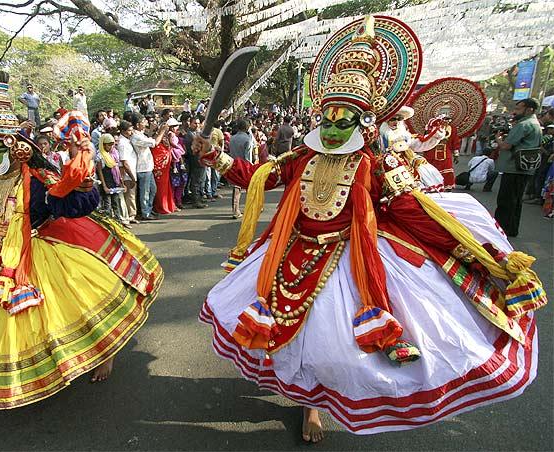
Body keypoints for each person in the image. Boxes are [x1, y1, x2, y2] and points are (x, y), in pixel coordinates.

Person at [193, 16, 546, 442]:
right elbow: (257, 177)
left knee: (334, 351)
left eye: (346, 117)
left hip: (351, 259)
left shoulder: (373, 165)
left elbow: (414, 212)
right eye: (328, 114)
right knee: (298, 344)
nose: (333, 124)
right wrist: (213, 154)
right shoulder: (303, 157)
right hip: (290, 254)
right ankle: (309, 403)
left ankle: (318, 406)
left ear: (365, 122)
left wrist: (483, 255)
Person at [0, 70, 163, 409]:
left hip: (34, 255)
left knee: (73, 314)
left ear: (15, 148)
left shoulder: (36, 179)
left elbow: (77, 205)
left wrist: (82, 173)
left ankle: (105, 353)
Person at [494, 97, 542, 237]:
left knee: (506, 200)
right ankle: (511, 228)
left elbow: (506, 145)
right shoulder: (534, 123)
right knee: (516, 200)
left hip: (514, 168)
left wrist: (498, 139)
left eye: (518, 108)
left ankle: (501, 229)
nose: (515, 112)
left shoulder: (524, 124)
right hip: (525, 168)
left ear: (529, 109)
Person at [379, 106, 446, 192]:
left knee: (422, 166)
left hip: (405, 162)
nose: (396, 122)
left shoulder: (405, 136)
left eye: (399, 119)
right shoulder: (379, 136)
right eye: (392, 119)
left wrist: (435, 135)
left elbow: (419, 144)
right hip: (384, 165)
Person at [131, 113, 166, 220]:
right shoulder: (136, 136)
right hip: (142, 168)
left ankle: (149, 209)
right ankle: (145, 212)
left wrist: (157, 131)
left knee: (152, 190)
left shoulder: (141, 134)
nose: (146, 123)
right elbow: (155, 142)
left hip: (148, 167)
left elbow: (151, 139)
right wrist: (162, 131)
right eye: (143, 122)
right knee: (145, 192)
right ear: (137, 125)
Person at [95, 133, 129, 227]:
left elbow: (117, 170)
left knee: (116, 204)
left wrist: (121, 183)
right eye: (108, 144)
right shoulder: (100, 156)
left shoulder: (113, 154)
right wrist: (104, 186)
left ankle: (118, 224)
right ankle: (109, 225)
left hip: (115, 183)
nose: (111, 146)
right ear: (103, 144)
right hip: (106, 183)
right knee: (107, 205)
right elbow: (100, 172)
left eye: (112, 144)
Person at [421, 115, 460, 191]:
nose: (447, 121)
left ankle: (447, 187)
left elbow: (455, 141)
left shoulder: (452, 128)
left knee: (447, 171)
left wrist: (456, 154)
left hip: (446, 154)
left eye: (449, 119)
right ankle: (432, 186)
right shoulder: (430, 126)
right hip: (431, 153)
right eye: (445, 119)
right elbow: (425, 139)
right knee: (430, 171)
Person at [151, 118, 180, 215]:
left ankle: (169, 205)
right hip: (159, 169)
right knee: (160, 189)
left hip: (166, 168)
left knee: (168, 187)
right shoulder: (156, 141)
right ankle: (161, 207)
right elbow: (157, 155)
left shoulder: (166, 139)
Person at [228, 119, 252, 219]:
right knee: (249, 187)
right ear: (247, 127)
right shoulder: (247, 139)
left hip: (233, 164)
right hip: (244, 165)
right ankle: (250, 208)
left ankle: (235, 210)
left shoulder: (232, 138)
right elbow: (248, 156)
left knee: (236, 188)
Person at [116, 120, 139, 224]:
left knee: (131, 195)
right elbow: (124, 162)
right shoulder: (122, 143)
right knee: (130, 196)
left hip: (131, 172)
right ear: (123, 131)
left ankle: (131, 214)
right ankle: (130, 215)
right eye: (129, 130)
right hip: (127, 174)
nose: (131, 132)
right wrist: (132, 177)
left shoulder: (127, 140)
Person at [185, 116, 207, 209]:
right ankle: (196, 200)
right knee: (196, 181)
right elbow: (193, 149)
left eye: (198, 123)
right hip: (195, 160)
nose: (197, 125)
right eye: (195, 123)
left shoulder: (197, 133)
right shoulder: (190, 134)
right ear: (190, 123)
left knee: (201, 180)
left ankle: (199, 197)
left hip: (201, 159)